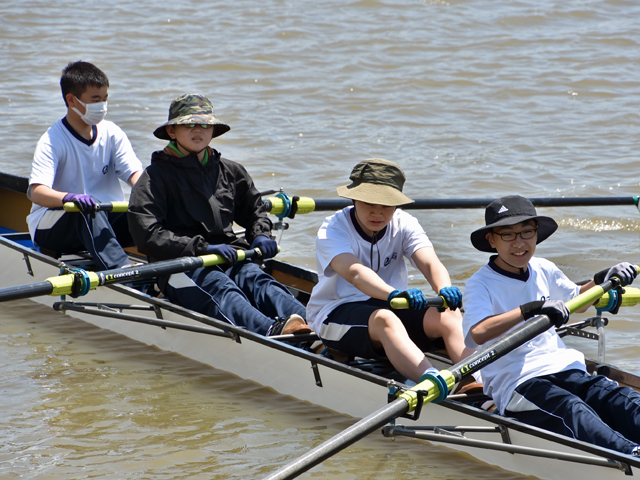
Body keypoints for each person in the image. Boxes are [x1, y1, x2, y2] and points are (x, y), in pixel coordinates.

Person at [462, 194, 640, 456]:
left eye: (526, 232)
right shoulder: (480, 283)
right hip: (518, 382)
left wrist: (602, 278)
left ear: (536, 234)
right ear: (492, 240)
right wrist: (529, 310)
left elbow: (578, 301)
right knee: (572, 409)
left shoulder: (544, 268)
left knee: (618, 398)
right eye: (508, 235)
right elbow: (478, 332)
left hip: (565, 367)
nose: (520, 243)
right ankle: (631, 455)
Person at [127, 93, 310, 337]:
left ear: (213, 130)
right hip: (179, 264)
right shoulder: (154, 177)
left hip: (228, 254)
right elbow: (147, 235)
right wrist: (201, 248)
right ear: (172, 131)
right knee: (223, 288)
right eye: (190, 124)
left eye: (205, 125)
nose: (198, 130)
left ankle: (316, 326)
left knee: (258, 279)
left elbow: (255, 211)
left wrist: (261, 235)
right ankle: (272, 332)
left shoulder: (231, 171)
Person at [306, 158, 477, 386]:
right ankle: (436, 384)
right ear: (354, 198)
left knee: (449, 314)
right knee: (386, 318)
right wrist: (393, 294)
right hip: (335, 316)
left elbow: (429, 263)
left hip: (391, 305)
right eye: (369, 203)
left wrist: (444, 288)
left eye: (386, 205)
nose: (377, 213)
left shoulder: (405, 223)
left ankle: (476, 384)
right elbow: (355, 273)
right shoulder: (333, 229)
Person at [27, 61, 143, 270]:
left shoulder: (112, 132)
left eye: (105, 99)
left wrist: (153, 195)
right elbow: (37, 192)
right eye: (96, 100)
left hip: (101, 217)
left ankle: (169, 272)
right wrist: (69, 197)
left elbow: (135, 175)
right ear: (71, 100)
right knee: (87, 210)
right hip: (54, 226)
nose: (103, 106)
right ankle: (123, 272)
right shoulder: (52, 140)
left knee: (148, 210)